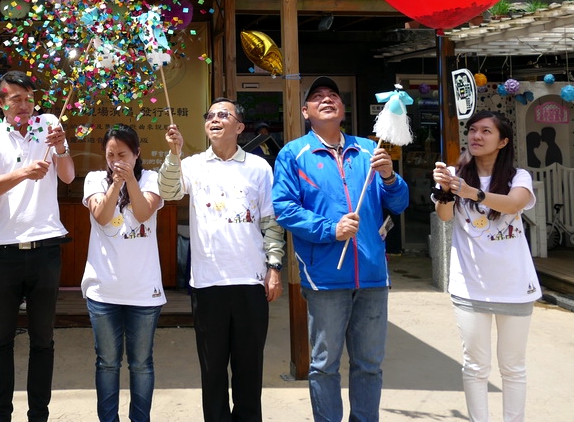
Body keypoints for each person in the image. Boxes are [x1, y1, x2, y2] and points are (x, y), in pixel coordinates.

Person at [274, 76, 409, 422]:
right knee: (324, 365)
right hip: (325, 278)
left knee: (369, 365)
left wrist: (391, 177)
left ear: (343, 108)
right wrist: (329, 229)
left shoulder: (369, 149)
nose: (326, 99)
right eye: (317, 97)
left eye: (333, 95)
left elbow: (399, 202)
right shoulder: (294, 153)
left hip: (373, 276)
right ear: (305, 111)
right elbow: (285, 208)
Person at [158, 98, 285, 422]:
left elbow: (270, 222)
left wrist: (274, 268)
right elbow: (168, 191)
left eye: (223, 115)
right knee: (212, 369)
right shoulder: (193, 164)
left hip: (250, 281)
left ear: (239, 127)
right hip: (207, 282)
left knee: (249, 368)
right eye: (210, 116)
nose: (215, 119)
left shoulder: (259, 168)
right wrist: (174, 153)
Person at [0, 70, 76, 422]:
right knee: (0, 339)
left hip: (46, 247)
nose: (24, 104)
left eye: (29, 97)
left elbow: (67, 176)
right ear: (1, 102)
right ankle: (0, 415)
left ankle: (39, 415)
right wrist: (22, 173)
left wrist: (61, 146)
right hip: (2, 250)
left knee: (43, 340)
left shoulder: (48, 124)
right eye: (15, 98)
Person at [432, 111, 541, 422]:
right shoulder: (455, 173)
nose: (476, 136)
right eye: (473, 130)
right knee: (475, 366)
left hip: (515, 285)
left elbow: (515, 204)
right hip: (470, 284)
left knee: (513, 366)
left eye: (486, 131)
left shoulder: (518, 177)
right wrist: (444, 190)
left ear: (503, 141)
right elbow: (444, 216)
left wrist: (472, 192)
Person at [81, 124, 165, 422]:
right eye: (111, 154)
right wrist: (115, 184)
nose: (116, 160)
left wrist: (130, 180)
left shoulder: (151, 178)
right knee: (107, 363)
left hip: (144, 292)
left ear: (137, 153)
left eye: (123, 154)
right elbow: (103, 217)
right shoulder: (94, 179)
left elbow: (143, 213)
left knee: (141, 364)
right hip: (103, 291)